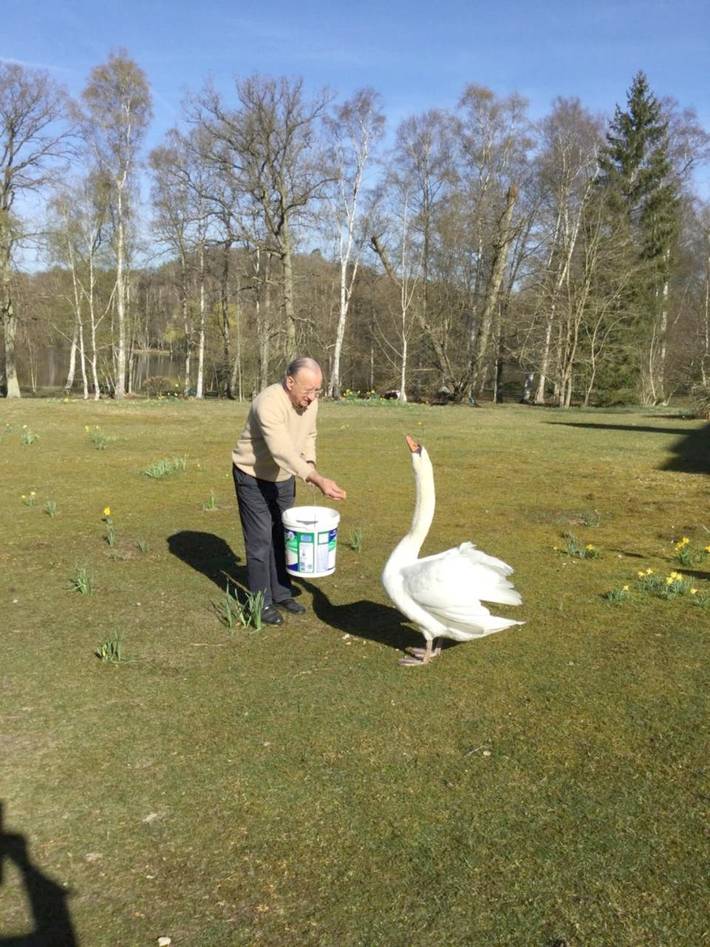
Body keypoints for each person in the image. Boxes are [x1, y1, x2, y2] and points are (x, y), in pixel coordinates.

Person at [232, 357, 347, 625]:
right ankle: (261, 604)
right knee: (260, 541)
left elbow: (309, 436)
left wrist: (310, 463)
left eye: (317, 390)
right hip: (253, 476)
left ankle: (282, 593)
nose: (312, 398)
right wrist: (315, 478)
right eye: (308, 391)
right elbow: (281, 449)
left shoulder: (310, 403)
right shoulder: (268, 403)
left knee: (282, 536)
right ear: (290, 382)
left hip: (285, 477)